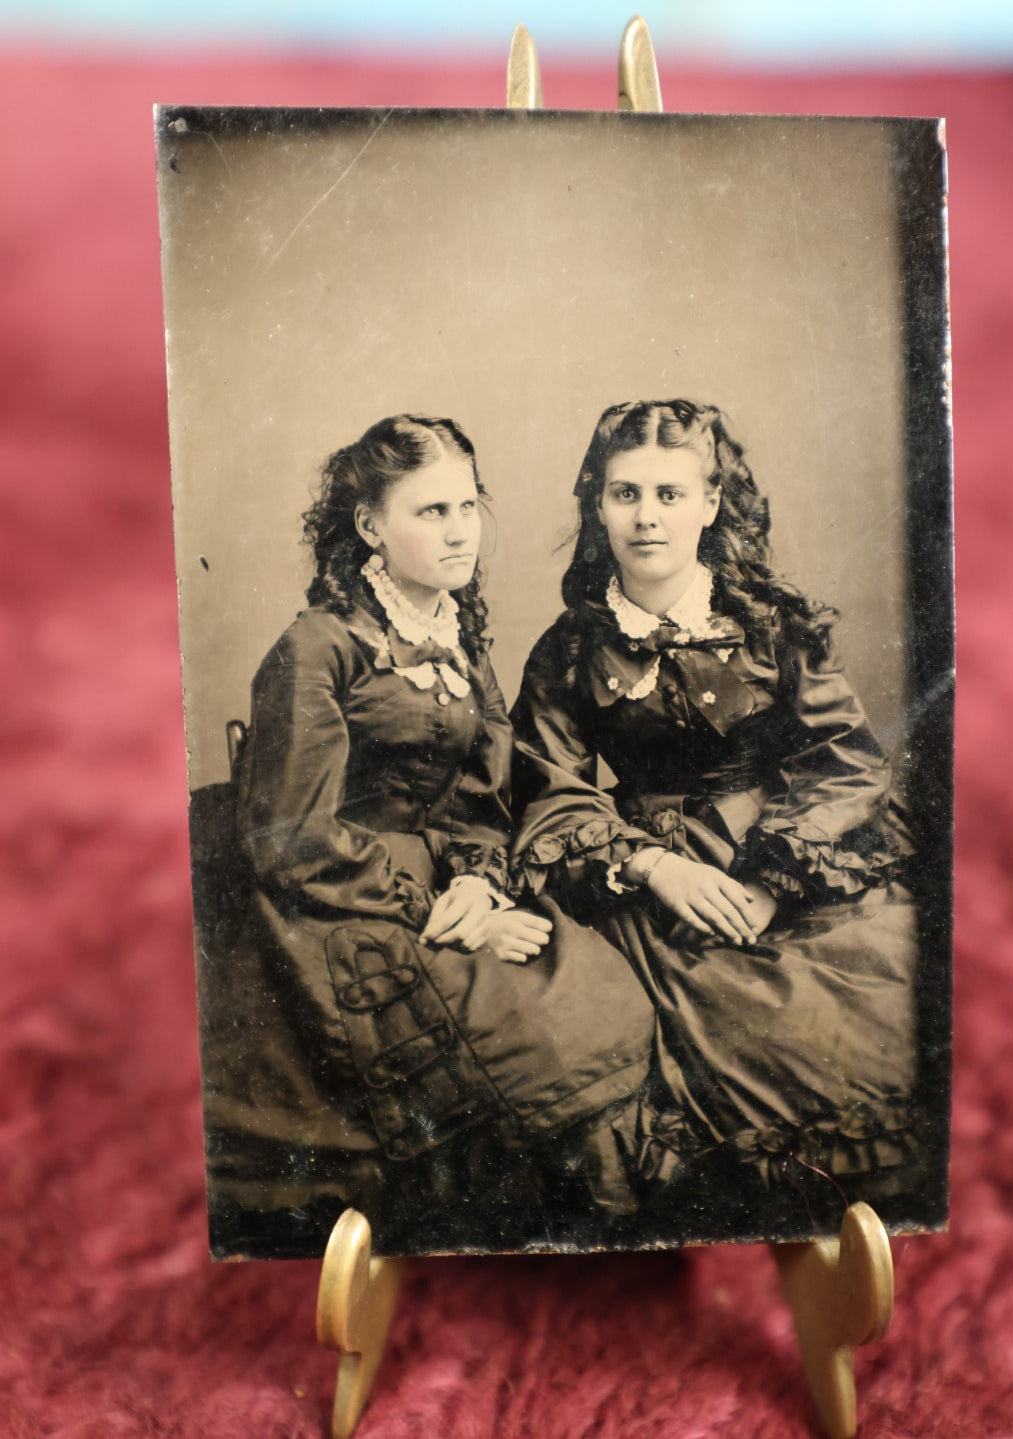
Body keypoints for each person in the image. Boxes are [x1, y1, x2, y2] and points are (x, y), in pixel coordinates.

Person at [198, 414, 655, 1256]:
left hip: (446, 887)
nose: (458, 531)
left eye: (467, 506)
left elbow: (481, 799)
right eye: (430, 511)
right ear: (370, 525)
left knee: (595, 985)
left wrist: (480, 882)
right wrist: (438, 907)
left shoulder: (454, 636)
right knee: (544, 1032)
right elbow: (293, 838)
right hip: (335, 902)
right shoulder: (318, 647)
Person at [510, 399, 919, 1232]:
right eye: (625, 493)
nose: (647, 516)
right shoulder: (568, 648)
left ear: (711, 503)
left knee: (870, 1004)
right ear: (597, 505)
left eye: (669, 493)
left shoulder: (773, 628)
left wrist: (774, 879)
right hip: (648, 877)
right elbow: (547, 785)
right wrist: (653, 865)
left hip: (789, 861)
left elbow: (846, 763)